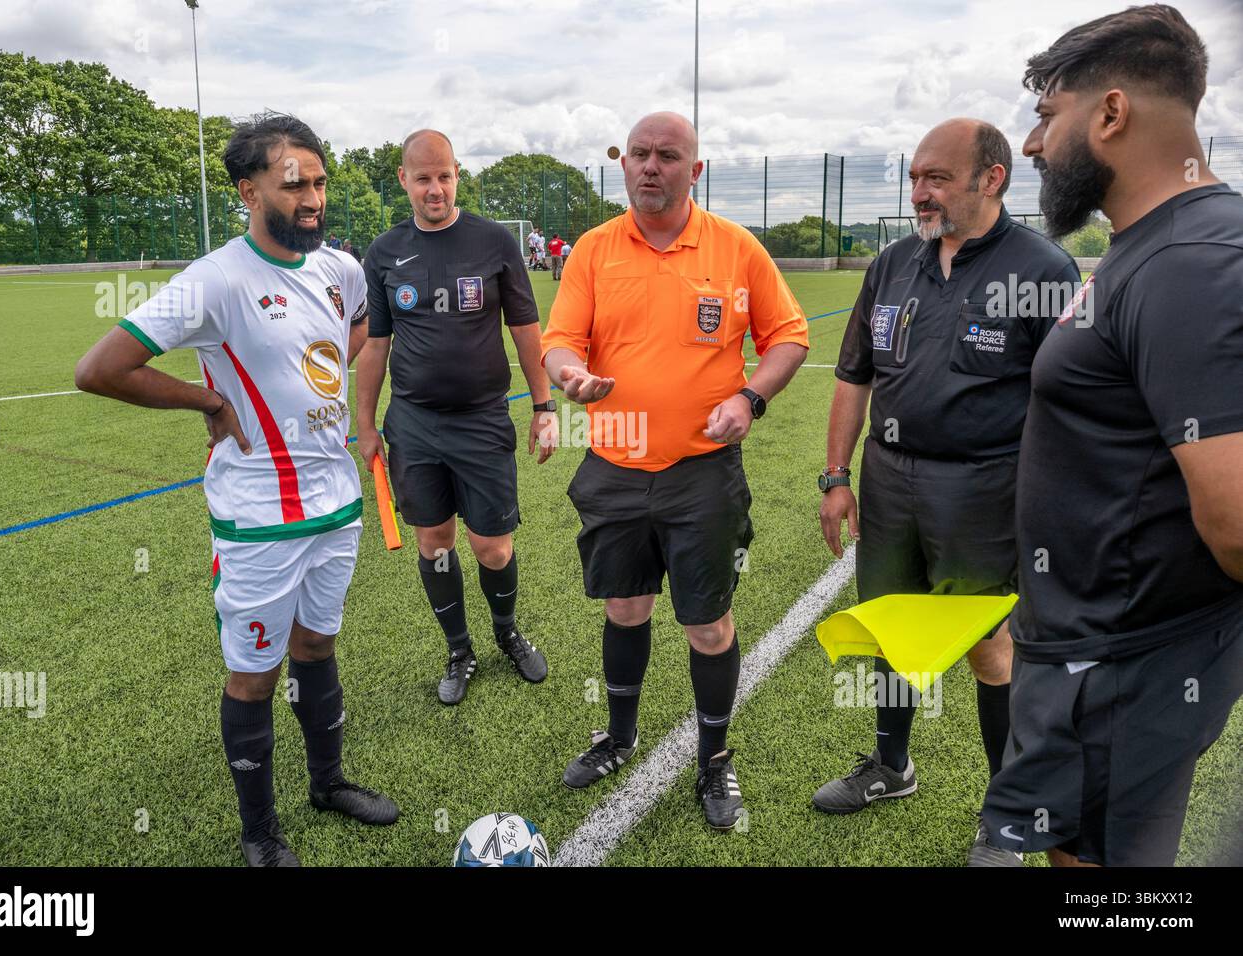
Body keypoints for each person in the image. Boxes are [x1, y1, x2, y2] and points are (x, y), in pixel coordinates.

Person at [74, 114, 396, 868]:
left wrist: (326, 383)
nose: (313, 199)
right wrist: (210, 401)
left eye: (319, 183)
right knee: (255, 673)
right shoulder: (215, 280)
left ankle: (328, 783)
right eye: (294, 184)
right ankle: (260, 832)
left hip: (337, 505)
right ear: (250, 192)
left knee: (317, 645)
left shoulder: (340, 270)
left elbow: (353, 332)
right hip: (258, 520)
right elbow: (100, 369)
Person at [978, 3, 1243, 868]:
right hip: (1099, 654)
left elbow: (1237, 521)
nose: (1031, 144)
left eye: (1046, 115)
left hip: (1126, 665)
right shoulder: (1158, 242)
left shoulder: (1189, 261)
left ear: (1112, 113)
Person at [814, 119, 1080, 866]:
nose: (919, 193)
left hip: (986, 488)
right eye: (914, 178)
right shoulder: (893, 263)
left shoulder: (1043, 270)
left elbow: (1072, 402)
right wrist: (836, 476)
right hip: (888, 479)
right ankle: (891, 766)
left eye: (936, 178)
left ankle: (1008, 814)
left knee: (990, 649)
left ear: (992, 179)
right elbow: (854, 375)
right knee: (894, 631)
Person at [541, 111, 809, 830]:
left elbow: (788, 336)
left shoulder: (735, 248)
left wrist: (750, 398)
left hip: (702, 473)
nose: (650, 166)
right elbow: (559, 341)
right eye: (639, 154)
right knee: (624, 608)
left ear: (695, 171)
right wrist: (569, 376)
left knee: (708, 625)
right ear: (623, 164)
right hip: (614, 466)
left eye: (666, 155)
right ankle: (619, 738)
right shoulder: (594, 250)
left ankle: (714, 760)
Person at [356, 129, 553, 706]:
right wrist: (365, 425)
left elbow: (525, 329)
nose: (435, 189)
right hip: (413, 425)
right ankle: (458, 648)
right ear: (404, 180)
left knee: (493, 546)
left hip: (482, 420)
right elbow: (375, 346)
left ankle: (506, 632)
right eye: (423, 178)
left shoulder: (493, 241)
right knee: (435, 542)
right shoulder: (384, 252)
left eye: (444, 176)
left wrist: (544, 407)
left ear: (457, 174)